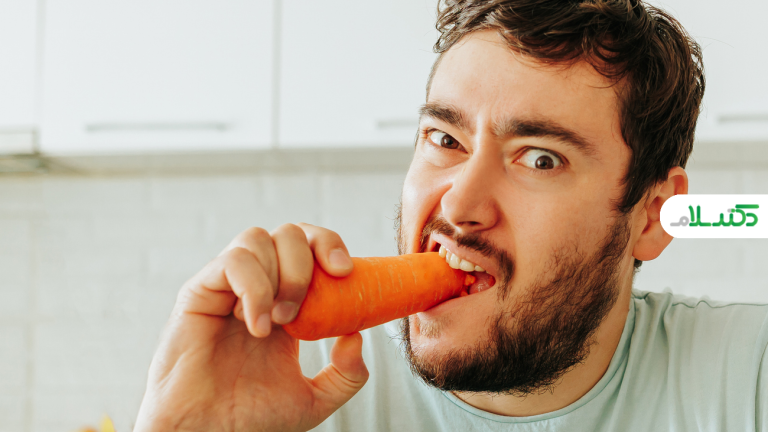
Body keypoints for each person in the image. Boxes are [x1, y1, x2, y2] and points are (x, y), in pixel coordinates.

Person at [134, 0, 768, 431]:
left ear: (653, 217)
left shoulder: (748, 377)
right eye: (445, 139)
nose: (460, 205)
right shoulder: (298, 385)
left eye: (540, 159)